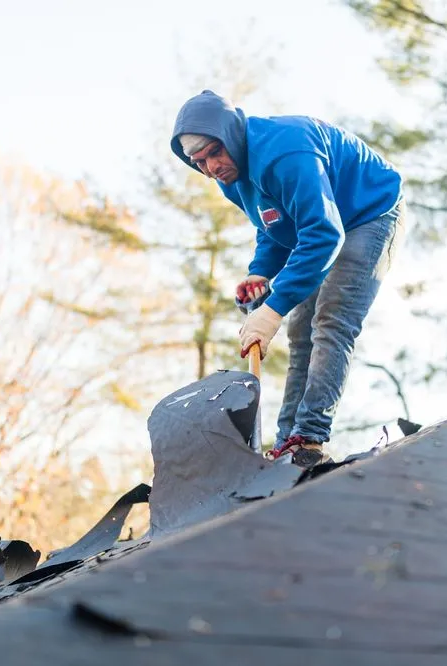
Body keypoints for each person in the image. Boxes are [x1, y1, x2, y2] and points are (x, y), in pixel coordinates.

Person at [170, 90, 406, 468]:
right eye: (199, 162)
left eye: (215, 152)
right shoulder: (230, 177)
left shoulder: (285, 152)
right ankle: (286, 444)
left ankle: (308, 438)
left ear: (231, 135)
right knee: (300, 331)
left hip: (370, 212)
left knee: (332, 319)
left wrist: (273, 307)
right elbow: (275, 224)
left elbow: (324, 234)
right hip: (322, 224)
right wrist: (260, 270)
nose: (211, 167)